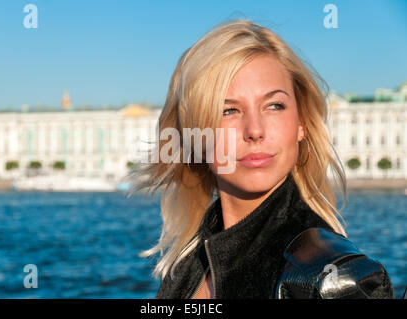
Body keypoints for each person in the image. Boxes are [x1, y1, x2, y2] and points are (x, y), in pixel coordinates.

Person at [125, 19, 394, 299]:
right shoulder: (187, 262)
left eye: (274, 106)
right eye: (228, 110)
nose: (254, 130)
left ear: (301, 123)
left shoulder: (330, 279)